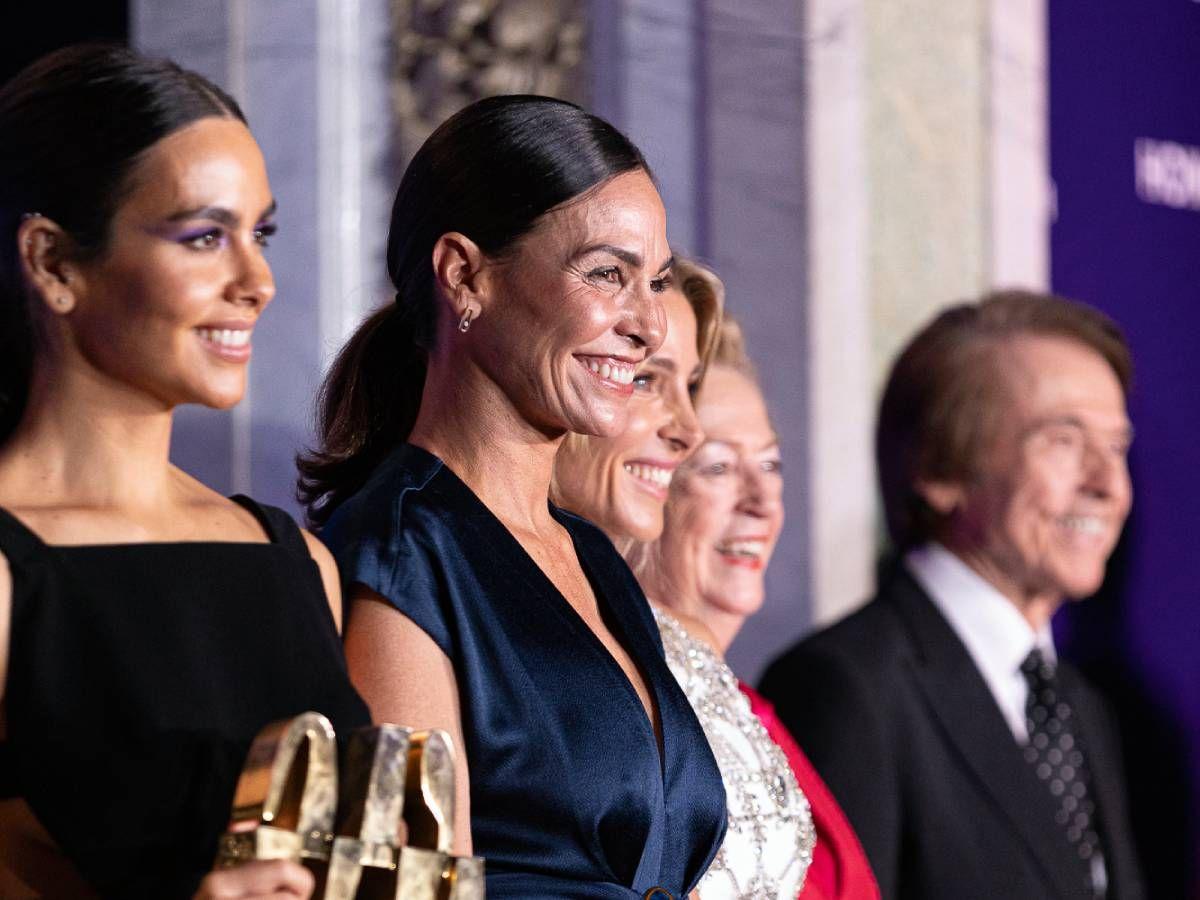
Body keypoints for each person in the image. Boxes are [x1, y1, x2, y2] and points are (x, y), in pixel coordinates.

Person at [302, 95, 726, 898]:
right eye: (607, 273)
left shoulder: (593, 557)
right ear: (465, 276)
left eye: (657, 280)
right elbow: (405, 890)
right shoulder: (400, 554)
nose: (650, 326)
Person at [0, 45, 369, 898]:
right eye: (205, 236)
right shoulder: (14, 574)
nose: (259, 281)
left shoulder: (298, 563)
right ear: (54, 262)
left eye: (260, 233)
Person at [761, 290, 1148, 899]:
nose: (1108, 485)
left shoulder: (1082, 707)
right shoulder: (844, 689)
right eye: (1064, 441)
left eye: (1117, 447)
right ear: (940, 470)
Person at [624, 311, 879, 900]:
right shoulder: (614, 707)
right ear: (645, 481)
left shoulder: (755, 714)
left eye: (770, 465)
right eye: (717, 467)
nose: (762, 500)